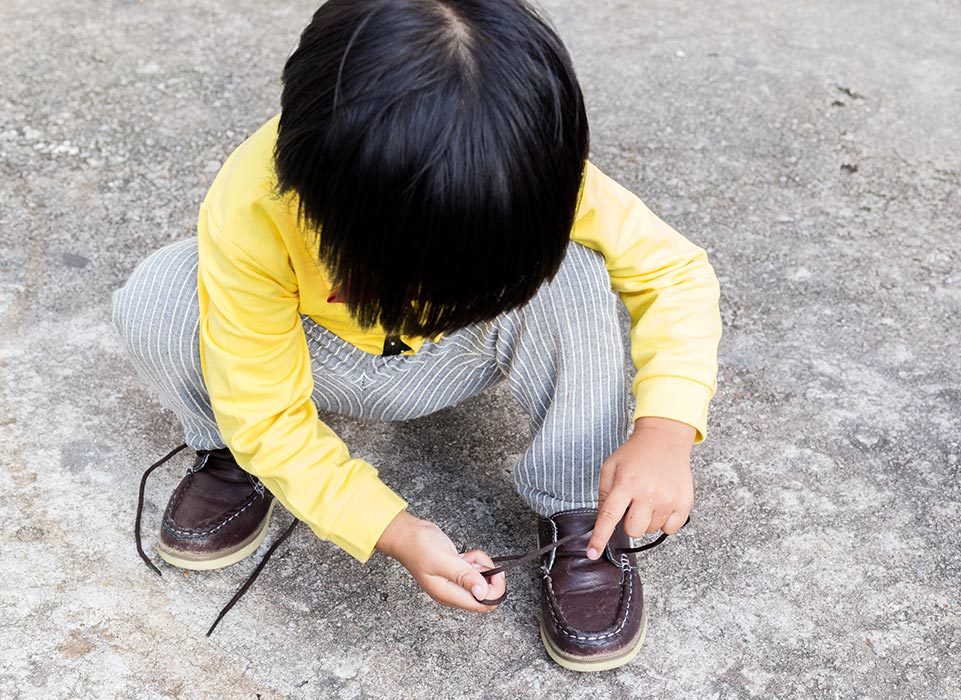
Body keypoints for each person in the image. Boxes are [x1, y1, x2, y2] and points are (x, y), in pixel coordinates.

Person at [112, 0, 721, 672]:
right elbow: (268, 413)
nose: (425, 306)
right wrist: (394, 532)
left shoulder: (524, 169)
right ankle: (236, 457)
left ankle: (581, 506)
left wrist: (666, 430)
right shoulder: (255, 202)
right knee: (159, 298)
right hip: (315, 359)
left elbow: (676, 273)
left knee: (577, 273)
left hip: (462, 358)